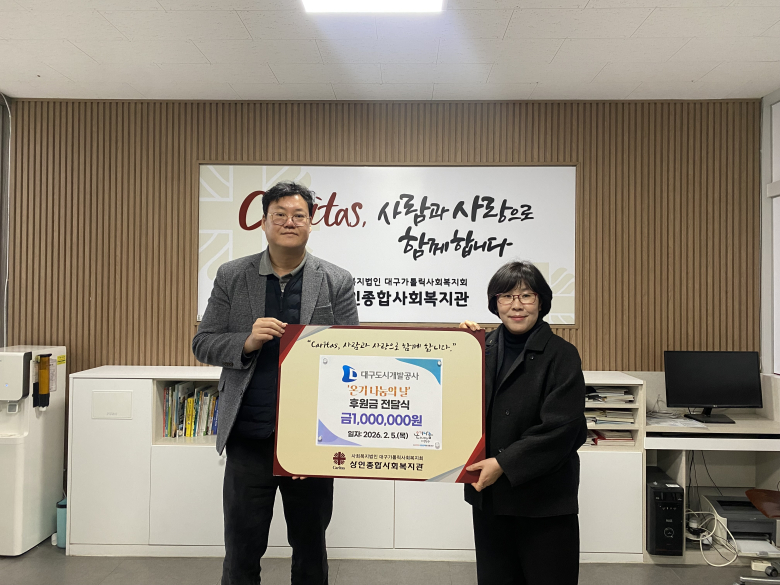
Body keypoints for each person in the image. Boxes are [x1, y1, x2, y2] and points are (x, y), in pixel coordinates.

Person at [192, 181, 359, 585]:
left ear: (311, 222)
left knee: (310, 550)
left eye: (298, 215)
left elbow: (352, 353)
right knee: (242, 551)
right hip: (249, 437)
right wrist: (246, 342)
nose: (289, 222)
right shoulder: (233, 275)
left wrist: (313, 448)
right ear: (264, 222)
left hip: (311, 439)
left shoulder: (336, 280)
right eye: (279, 215)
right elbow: (203, 343)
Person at [460, 261, 586, 585]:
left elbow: (564, 428)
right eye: (506, 296)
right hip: (489, 499)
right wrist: (458, 349)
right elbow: (456, 406)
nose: (516, 305)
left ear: (541, 301)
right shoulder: (480, 348)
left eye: (526, 295)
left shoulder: (562, 354)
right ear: (495, 303)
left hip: (544, 502)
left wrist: (503, 463)